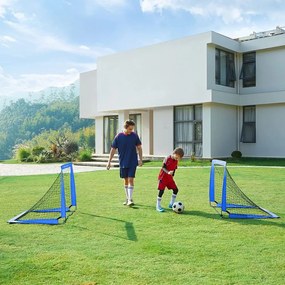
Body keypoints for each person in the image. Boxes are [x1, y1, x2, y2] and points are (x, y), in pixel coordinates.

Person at [107, 119, 143, 206]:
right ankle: (127, 198)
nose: (132, 131)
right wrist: (109, 162)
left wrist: (140, 159)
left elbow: (139, 148)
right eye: (130, 129)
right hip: (123, 161)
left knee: (131, 179)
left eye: (132, 129)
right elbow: (113, 149)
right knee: (126, 180)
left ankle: (130, 199)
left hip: (132, 161)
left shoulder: (134, 136)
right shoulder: (118, 137)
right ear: (125, 128)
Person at [156, 147, 184, 212]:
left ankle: (171, 204)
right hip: (163, 177)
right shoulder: (167, 158)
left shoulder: (176, 161)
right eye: (177, 156)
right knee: (161, 191)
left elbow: (174, 169)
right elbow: (163, 168)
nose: (178, 158)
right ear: (175, 153)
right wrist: (168, 172)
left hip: (169, 178)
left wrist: (173, 174)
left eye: (179, 158)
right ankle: (158, 206)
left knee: (176, 190)